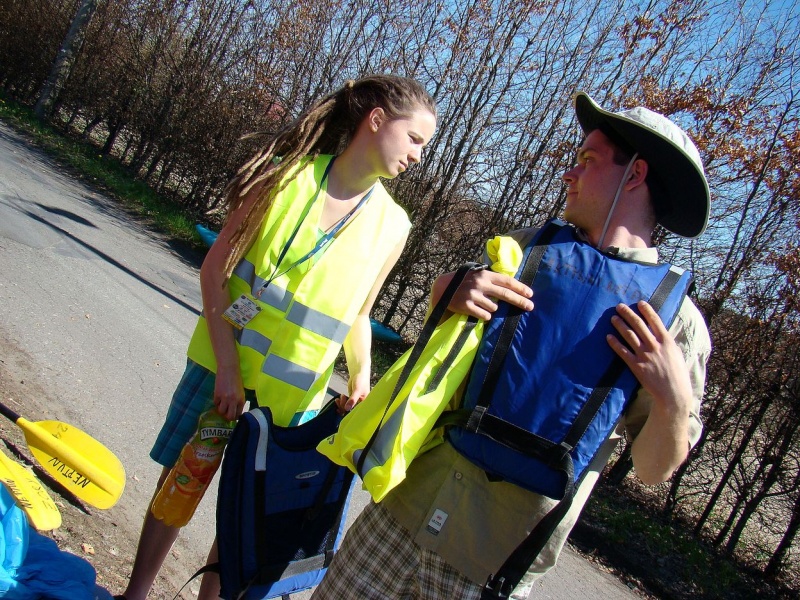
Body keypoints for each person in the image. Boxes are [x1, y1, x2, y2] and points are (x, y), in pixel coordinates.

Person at [310, 91, 712, 599]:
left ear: (634, 174)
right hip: (402, 508)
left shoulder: (676, 325)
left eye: (587, 160)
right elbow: (445, 328)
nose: (569, 173)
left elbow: (654, 470)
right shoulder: (527, 249)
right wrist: (447, 290)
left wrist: (674, 397)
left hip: (489, 565)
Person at [116, 75, 437, 600]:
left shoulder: (394, 225)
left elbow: (360, 314)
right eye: (415, 139)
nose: (419, 155)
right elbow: (216, 269)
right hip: (219, 370)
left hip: (291, 399)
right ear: (376, 120)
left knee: (246, 512)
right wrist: (227, 368)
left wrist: (361, 377)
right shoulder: (284, 178)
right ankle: (135, 593)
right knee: (180, 485)